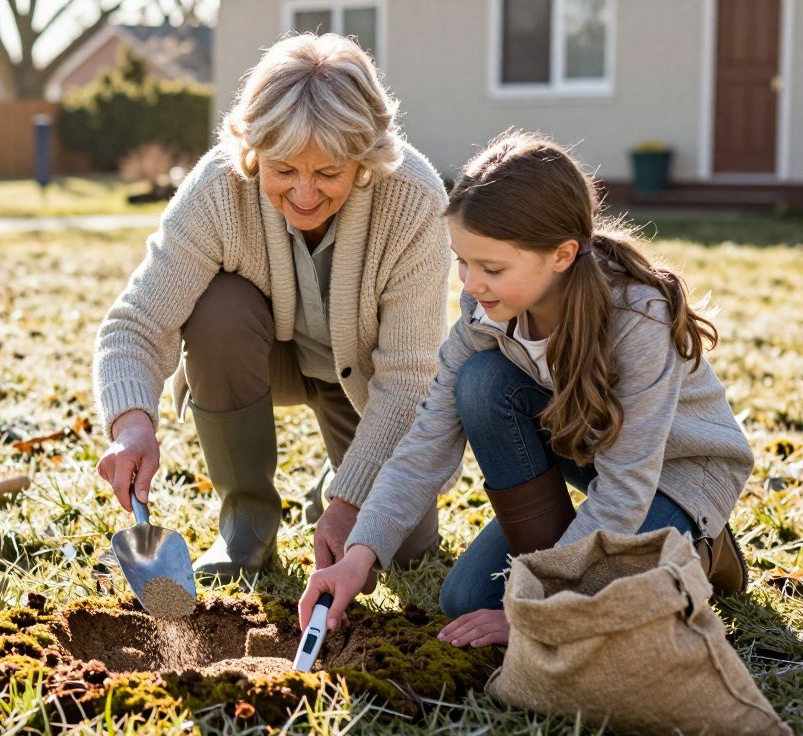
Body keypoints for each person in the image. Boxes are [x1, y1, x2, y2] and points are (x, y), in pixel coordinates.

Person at [299, 130, 754, 646]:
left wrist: (535, 612)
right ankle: (565, 573)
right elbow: (426, 443)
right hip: (587, 451)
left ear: (560, 255)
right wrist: (360, 556)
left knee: (599, 622)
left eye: (491, 267)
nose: (470, 285)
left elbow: (628, 485)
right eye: (463, 262)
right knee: (468, 594)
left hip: (676, 473)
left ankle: (704, 544)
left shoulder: (639, 321)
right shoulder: (486, 313)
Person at [92, 33, 452, 581]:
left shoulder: (414, 200)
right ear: (254, 151)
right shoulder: (219, 187)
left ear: (363, 160)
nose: (304, 195)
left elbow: (408, 381)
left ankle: (335, 481)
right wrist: (132, 425)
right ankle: (247, 525)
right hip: (262, 358)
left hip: (369, 381)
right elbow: (136, 323)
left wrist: (350, 500)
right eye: (284, 170)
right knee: (218, 307)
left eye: (328, 172)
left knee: (402, 550)